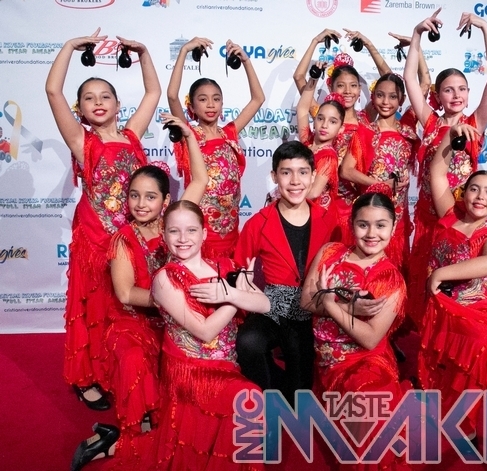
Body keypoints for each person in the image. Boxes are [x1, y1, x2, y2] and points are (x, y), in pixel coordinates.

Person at [70, 200, 270, 471]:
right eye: (174, 231)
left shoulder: (224, 266)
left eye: (191, 230)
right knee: (249, 396)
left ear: (204, 233)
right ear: (164, 236)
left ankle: (111, 441)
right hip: (189, 372)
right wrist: (235, 297)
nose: (183, 238)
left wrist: (232, 293)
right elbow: (205, 330)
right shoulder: (164, 280)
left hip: (226, 366)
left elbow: (265, 304)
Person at [45, 28, 161, 409]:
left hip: (130, 241)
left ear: (117, 103)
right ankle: (89, 378)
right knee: (94, 311)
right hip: (95, 242)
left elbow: (153, 93)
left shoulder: (132, 136)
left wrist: (143, 53)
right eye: (89, 98)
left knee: (126, 312)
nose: (98, 102)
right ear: (79, 109)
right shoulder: (83, 142)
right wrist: (68, 46)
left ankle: (123, 369)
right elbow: (52, 91)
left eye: (105, 96)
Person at [103, 116, 209, 436]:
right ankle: (139, 421)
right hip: (134, 322)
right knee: (134, 358)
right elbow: (125, 293)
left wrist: (189, 135)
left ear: (165, 201)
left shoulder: (173, 225)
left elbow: (200, 180)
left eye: (150, 197)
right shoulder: (122, 239)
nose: (140, 204)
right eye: (134, 195)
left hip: (173, 318)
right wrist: (168, 300)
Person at [403, 9, 487, 328]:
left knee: (455, 290)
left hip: (462, 220)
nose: (456, 95)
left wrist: (484, 27)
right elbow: (409, 79)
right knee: (426, 285)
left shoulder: (476, 122)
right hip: (430, 218)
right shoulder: (430, 122)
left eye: (462, 89)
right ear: (438, 95)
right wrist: (417, 34)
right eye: (448, 89)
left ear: (469, 94)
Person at [300, 189, 411, 471]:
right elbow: (305, 301)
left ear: (393, 228)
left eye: (381, 225)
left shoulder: (391, 280)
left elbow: (370, 338)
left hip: (365, 361)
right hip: (328, 363)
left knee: (369, 406)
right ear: (352, 225)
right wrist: (349, 306)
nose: (371, 233)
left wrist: (330, 303)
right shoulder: (330, 252)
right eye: (363, 224)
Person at [418, 124, 487, 444]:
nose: (480, 196)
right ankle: (440, 406)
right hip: (441, 307)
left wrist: (441, 273)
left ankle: (466, 423)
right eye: (474, 189)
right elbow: (437, 171)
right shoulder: (448, 214)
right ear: (463, 193)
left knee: (477, 343)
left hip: (476, 311)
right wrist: (449, 134)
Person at [234, 141, 338, 406]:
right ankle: (270, 397)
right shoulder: (258, 222)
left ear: (313, 176)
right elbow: (239, 270)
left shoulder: (329, 220)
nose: (295, 181)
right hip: (273, 309)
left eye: (302, 172)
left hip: (313, 312)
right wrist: (247, 292)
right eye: (286, 172)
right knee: (248, 342)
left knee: (300, 391)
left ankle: (292, 398)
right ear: (274, 176)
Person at [167, 37, 265, 259]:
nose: (211, 104)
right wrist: (183, 51)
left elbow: (258, 99)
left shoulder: (229, 133)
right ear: (192, 106)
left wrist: (246, 61)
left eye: (216, 99)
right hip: (201, 230)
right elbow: (172, 96)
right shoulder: (189, 135)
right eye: (203, 99)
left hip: (230, 230)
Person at [293, 29, 392, 245]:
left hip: (356, 205)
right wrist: (315, 41)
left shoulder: (366, 118)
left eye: (353, 85)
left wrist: (369, 44)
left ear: (360, 89)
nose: (348, 91)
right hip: (323, 202)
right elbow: (299, 79)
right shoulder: (322, 117)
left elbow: (390, 80)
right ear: (331, 86)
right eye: (341, 85)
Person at [340, 73, 417, 272]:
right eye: (380, 95)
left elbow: (423, 83)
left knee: (394, 273)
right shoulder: (365, 131)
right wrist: (380, 185)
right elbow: (346, 171)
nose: (386, 102)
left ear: (402, 100)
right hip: (370, 215)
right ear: (373, 97)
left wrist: (414, 49)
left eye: (393, 97)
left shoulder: (408, 132)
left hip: (398, 217)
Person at [297, 67, 344, 212]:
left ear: (340, 129)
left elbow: (314, 193)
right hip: (300, 210)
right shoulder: (307, 143)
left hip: (316, 215)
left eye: (332, 122)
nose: (324, 125)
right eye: (320, 118)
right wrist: (314, 78)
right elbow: (302, 109)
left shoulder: (328, 156)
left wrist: (284, 199)